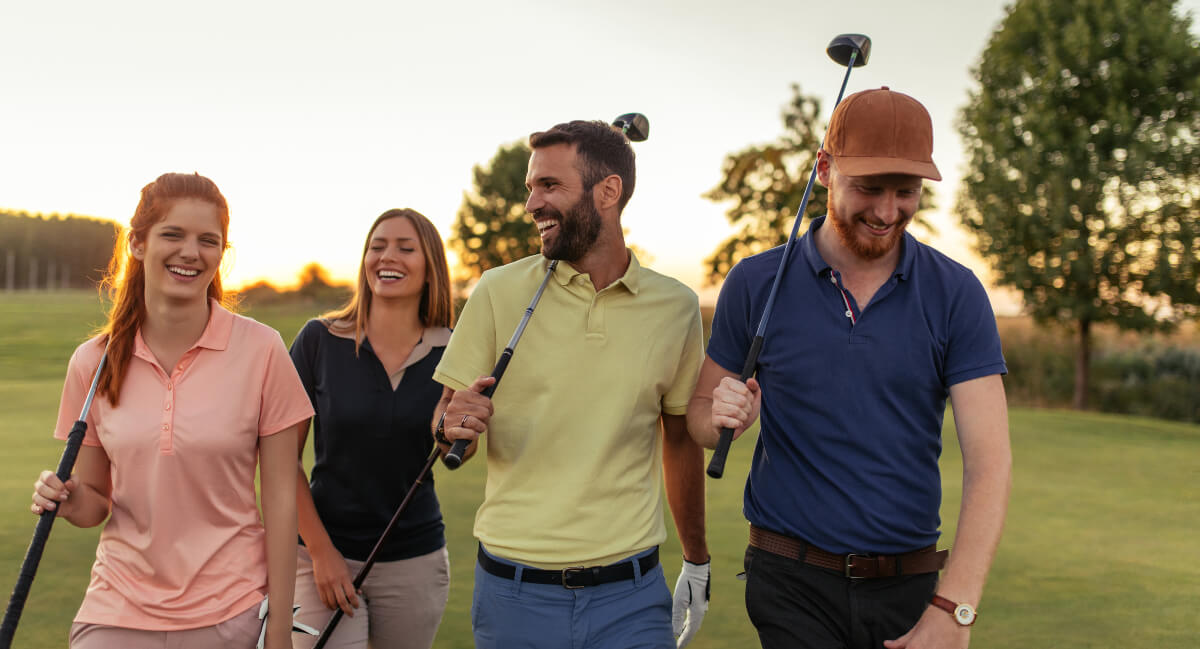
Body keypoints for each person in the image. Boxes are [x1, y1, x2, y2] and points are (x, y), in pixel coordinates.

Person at [688, 87, 1012, 649]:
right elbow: (697, 417)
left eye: (906, 193)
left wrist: (953, 608)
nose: (888, 213)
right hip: (789, 581)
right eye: (868, 189)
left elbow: (991, 462)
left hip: (910, 588)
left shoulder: (956, 293)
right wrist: (721, 415)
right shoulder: (755, 282)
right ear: (824, 169)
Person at [434, 120, 710, 649]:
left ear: (609, 191)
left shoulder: (675, 307)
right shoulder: (497, 291)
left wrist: (696, 558)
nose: (532, 203)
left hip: (632, 598)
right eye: (530, 188)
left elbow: (679, 441)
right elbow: (446, 427)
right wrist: (451, 426)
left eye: (550, 186)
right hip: (513, 597)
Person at [29, 172, 311, 649]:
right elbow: (95, 498)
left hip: (232, 611)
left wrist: (279, 629)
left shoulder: (263, 349)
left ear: (222, 253)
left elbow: (282, 502)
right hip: (115, 609)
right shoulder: (91, 363)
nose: (190, 252)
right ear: (137, 243)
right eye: (173, 234)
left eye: (208, 240)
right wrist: (70, 502)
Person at [288, 208, 453, 649]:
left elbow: (459, 445)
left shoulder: (454, 349)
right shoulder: (317, 341)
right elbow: (280, 461)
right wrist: (322, 555)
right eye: (377, 247)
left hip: (414, 563)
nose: (387, 257)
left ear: (430, 264)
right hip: (321, 557)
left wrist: (453, 434)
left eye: (405, 247)